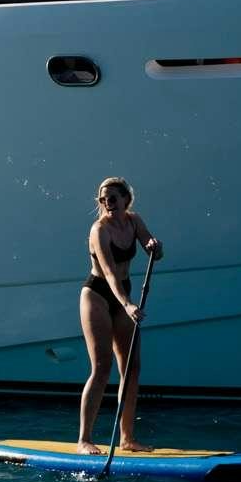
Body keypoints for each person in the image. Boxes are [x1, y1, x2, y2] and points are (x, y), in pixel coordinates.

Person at [76, 176, 163, 454]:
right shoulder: (98, 230)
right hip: (99, 295)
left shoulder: (134, 220)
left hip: (123, 295)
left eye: (112, 198)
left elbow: (154, 249)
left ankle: (127, 439)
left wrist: (155, 247)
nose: (107, 203)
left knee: (132, 367)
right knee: (102, 368)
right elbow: (111, 274)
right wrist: (127, 304)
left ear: (126, 199)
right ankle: (84, 440)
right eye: (103, 199)